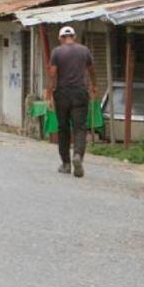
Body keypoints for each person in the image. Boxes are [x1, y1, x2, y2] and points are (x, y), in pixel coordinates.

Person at [46, 26, 97, 178]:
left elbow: (53, 74)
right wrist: (94, 85)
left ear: (61, 38)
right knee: (80, 128)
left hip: (62, 94)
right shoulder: (84, 50)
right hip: (80, 93)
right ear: (73, 36)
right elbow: (92, 69)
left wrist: (49, 93)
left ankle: (66, 164)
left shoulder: (57, 52)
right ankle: (78, 156)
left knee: (63, 128)